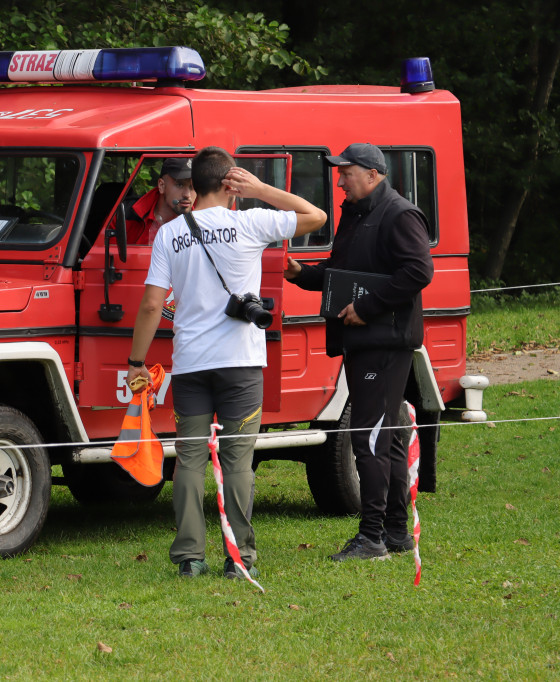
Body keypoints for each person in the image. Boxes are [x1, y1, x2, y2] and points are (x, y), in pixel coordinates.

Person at [126, 146, 326, 578]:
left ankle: (189, 558)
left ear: (193, 186)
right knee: (237, 461)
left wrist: (136, 361)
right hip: (240, 364)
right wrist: (262, 189)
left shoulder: (169, 234)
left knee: (189, 459)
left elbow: (150, 305)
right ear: (230, 185)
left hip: (192, 363)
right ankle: (238, 559)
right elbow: (316, 217)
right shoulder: (249, 222)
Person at [284, 143, 433, 561]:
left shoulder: (400, 214)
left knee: (367, 437)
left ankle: (371, 539)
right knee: (390, 435)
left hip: (384, 344)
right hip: (363, 344)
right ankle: (397, 532)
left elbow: (419, 271)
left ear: (371, 174)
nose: (339, 180)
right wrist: (301, 275)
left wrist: (367, 309)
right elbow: (341, 274)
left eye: (345, 172)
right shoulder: (356, 213)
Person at [126, 157, 196, 244]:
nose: (187, 195)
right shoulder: (127, 216)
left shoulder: (203, 223)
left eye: (193, 187)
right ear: (161, 185)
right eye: (180, 185)